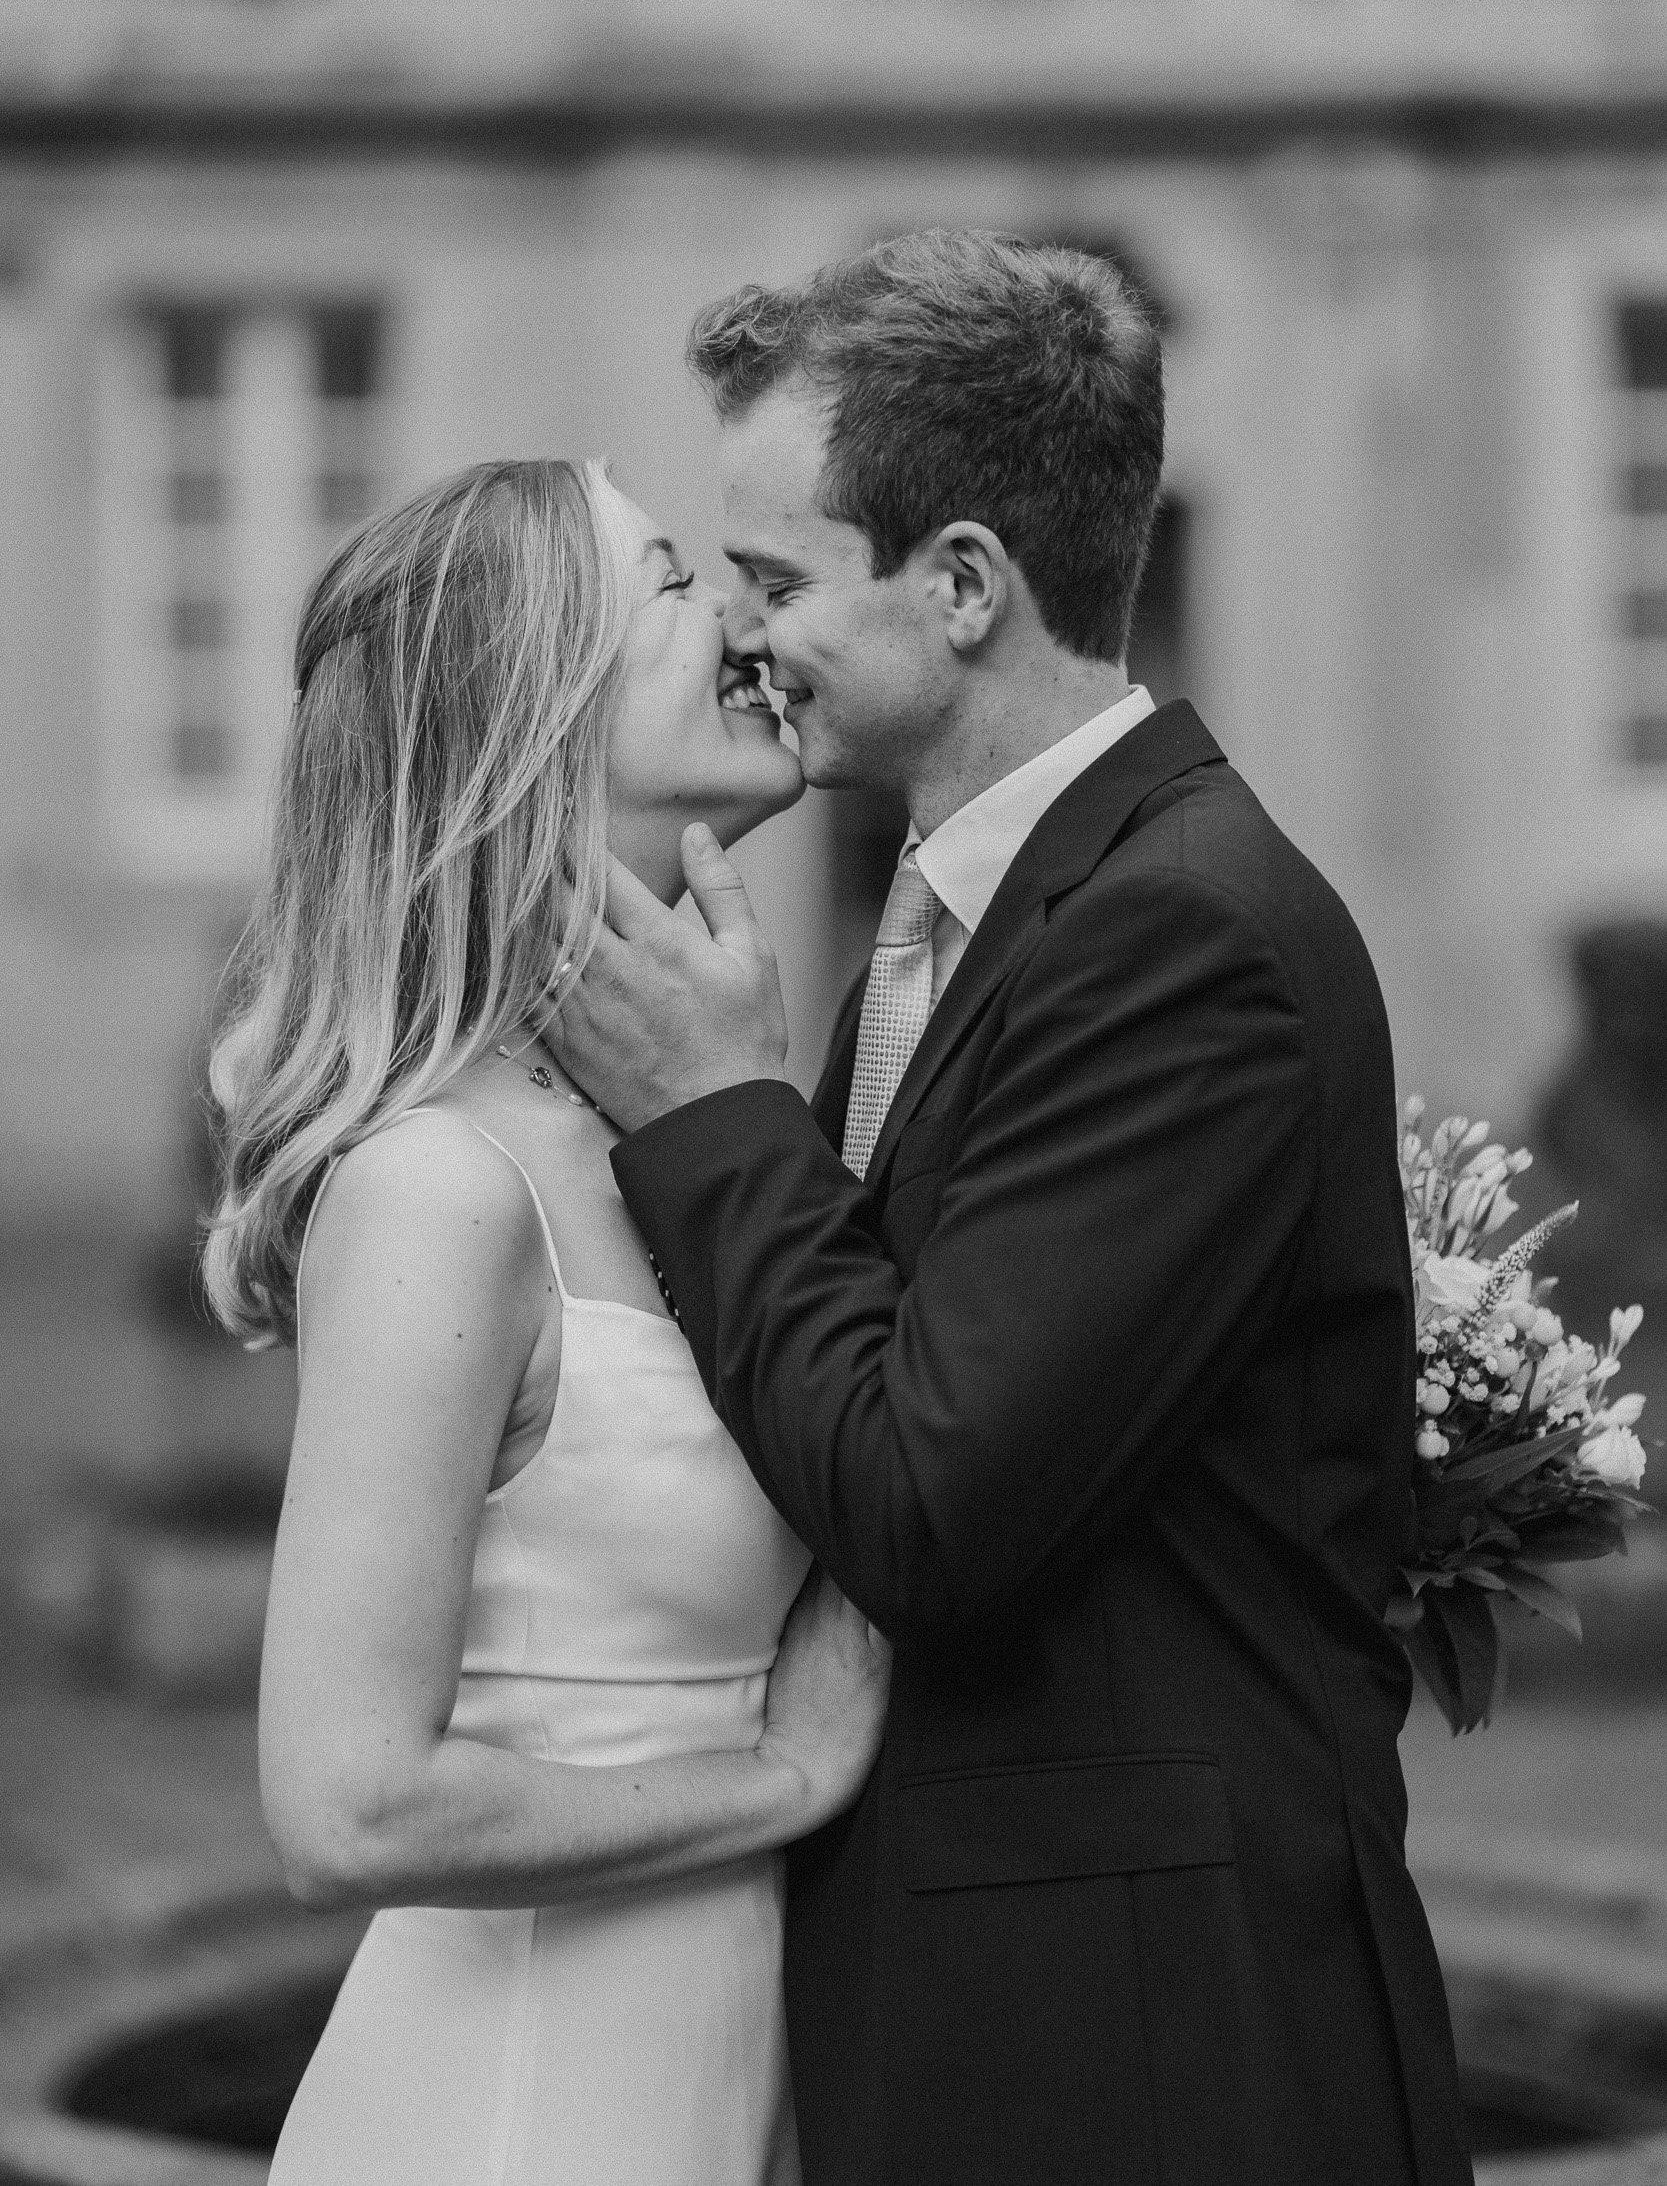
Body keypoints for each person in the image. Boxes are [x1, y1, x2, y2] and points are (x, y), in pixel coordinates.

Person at [548, 232, 1476, 2186]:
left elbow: (929, 1499)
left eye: (782, 579)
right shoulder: (989, 903)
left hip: (1144, 2058)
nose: (740, 630)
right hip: (1029, 2015)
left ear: (963, 582)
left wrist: (714, 1114)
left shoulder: (1175, 937)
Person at [204, 457, 889, 2186]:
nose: (739, 620)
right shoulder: (443, 1190)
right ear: (536, 705)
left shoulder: (680, 1132)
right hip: (517, 2115)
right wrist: (782, 1782)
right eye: (668, 583)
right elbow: (346, 1804)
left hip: (732, 2088)